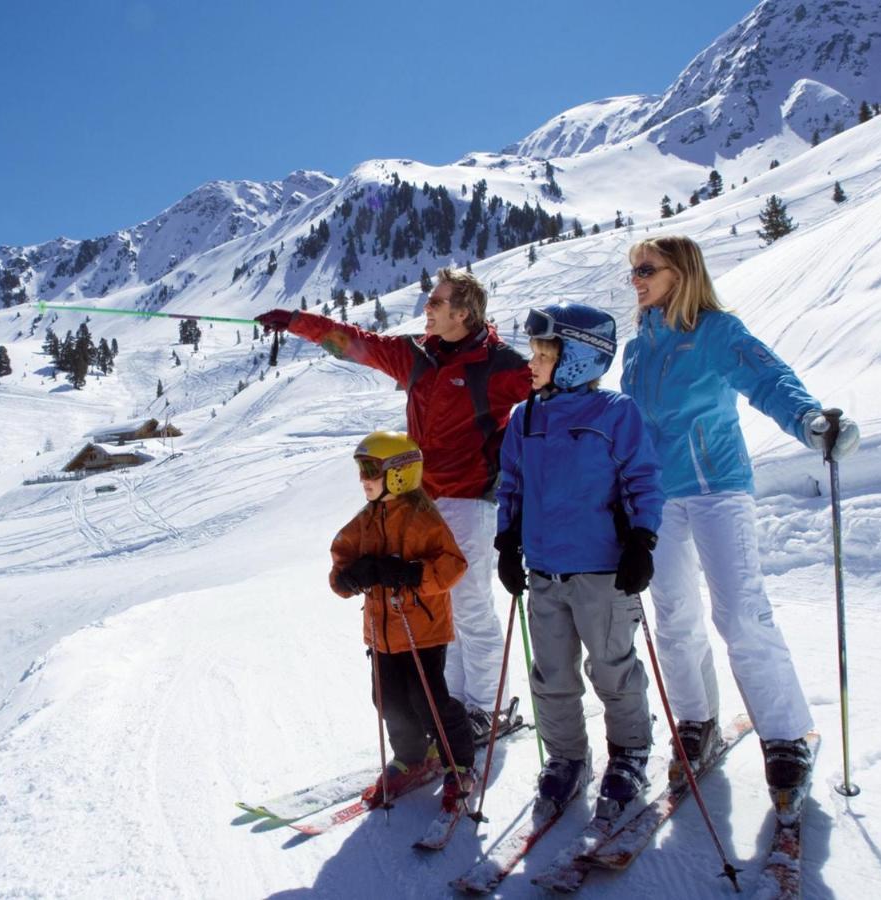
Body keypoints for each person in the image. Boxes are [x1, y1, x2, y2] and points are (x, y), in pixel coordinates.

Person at [620, 235, 860, 796]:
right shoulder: (638, 347)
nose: (636, 278)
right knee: (675, 618)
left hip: (716, 488)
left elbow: (768, 378)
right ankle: (696, 721)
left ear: (681, 272)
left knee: (741, 614)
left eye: (646, 268)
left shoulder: (716, 332)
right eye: (632, 270)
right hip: (659, 498)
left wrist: (809, 422)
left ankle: (785, 736)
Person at [258, 268, 532, 737]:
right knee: (435, 604)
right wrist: (299, 322)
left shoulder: (499, 364)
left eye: (436, 302)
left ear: (462, 313)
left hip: (471, 499)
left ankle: (485, 706)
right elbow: (355, 343)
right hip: (421, 500)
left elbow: (547, 392)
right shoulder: (417, 356)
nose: (426, 307)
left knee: (469, 605)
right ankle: (451, 708)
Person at [495, 303, 664, 810]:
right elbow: (512, 486)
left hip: (603, 571)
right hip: (544, 571)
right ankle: (566, 755)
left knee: (612, 667)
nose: (532, 363)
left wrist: (642, 541)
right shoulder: (525, 418)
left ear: (577, 359)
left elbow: (644, 481)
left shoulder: (615, 413)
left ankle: (630, 750)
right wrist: (508, 543)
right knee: (551, 673)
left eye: (544, 354)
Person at [329, 431, 476, 813]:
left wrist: (412, 574)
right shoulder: (364, 521)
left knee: (427, 700)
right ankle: (411, 756)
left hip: (421, 632)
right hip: (381, 634)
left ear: (399, 474)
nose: (363, 478)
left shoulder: (423, 518)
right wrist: (348, 577)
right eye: (361, 470)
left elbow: (453, 565)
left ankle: (459, 762)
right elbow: (341, 558)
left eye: (370, 470)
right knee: (387, 699)